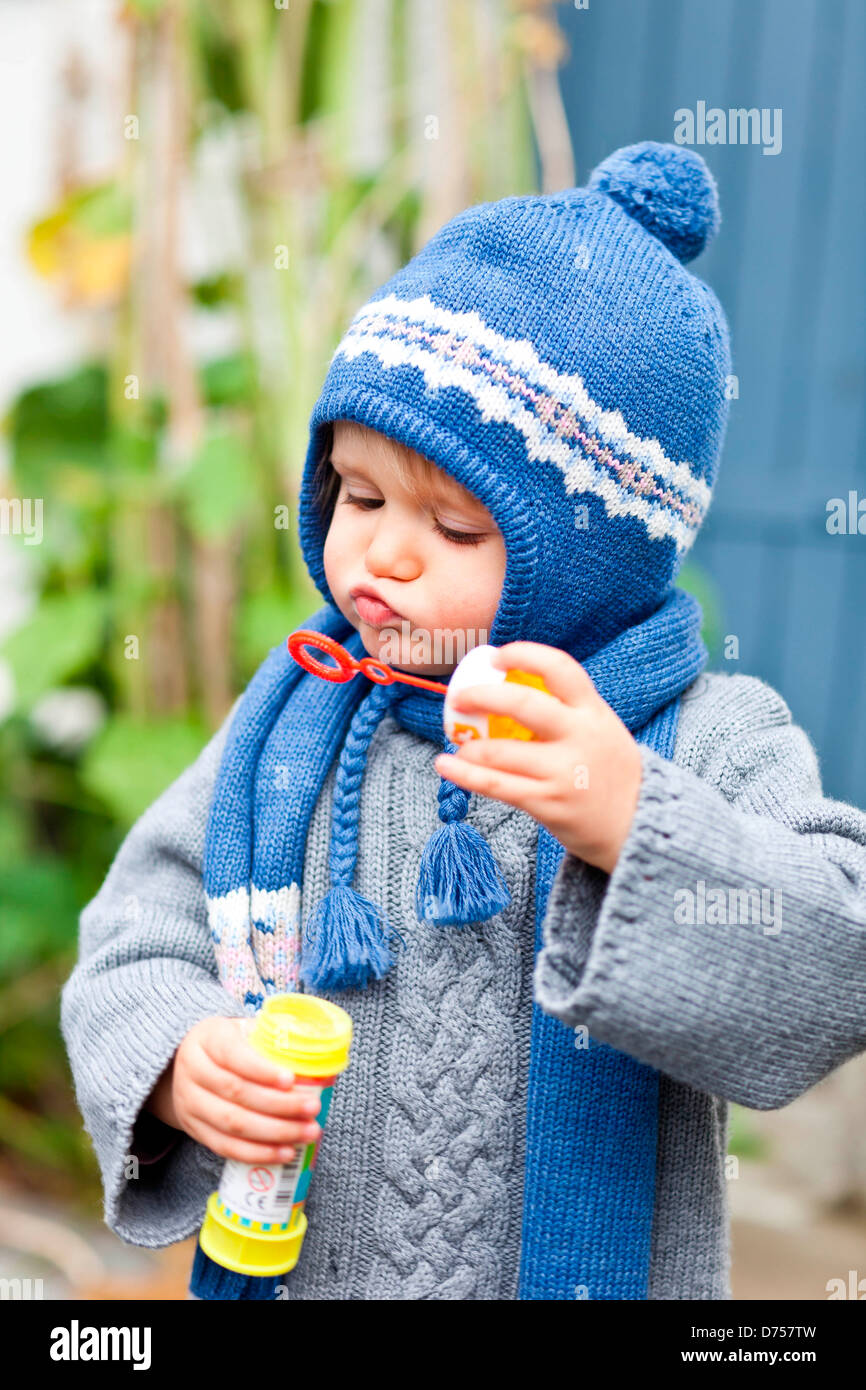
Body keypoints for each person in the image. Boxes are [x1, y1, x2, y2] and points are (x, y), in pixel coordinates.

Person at [61, 142, 866, 1301]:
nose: (382, 551)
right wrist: (178, 1062)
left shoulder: (699, 737)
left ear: (590, 557)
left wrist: (631, 818)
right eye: (360, 492)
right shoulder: (298, 715)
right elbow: (139, 931)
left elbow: (833, 963)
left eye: (452, 527)